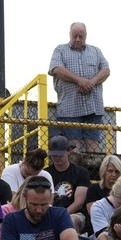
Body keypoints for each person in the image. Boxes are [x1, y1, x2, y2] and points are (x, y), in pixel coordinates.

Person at [48, 22, 110, 153]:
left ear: (86, 36)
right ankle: (75, 170)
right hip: (70, 107)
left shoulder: (96, 51)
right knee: (73, 145)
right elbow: (56, 69)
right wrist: (79, 81)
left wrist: (90, 83)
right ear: (69, 34)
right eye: (74, 36)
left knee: (93, 143)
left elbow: (106, 70)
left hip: (93, 106)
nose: (77, 39)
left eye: (81, 36)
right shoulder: (60, 50)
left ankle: (93, 171)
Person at [45, 136, 91, 234]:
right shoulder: (46, 173)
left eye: (60, 155)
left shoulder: (81, 173)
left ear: (69, 151)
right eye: (54, 155)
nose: (57, 158)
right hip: (50, 212)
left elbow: (79, 203)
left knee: (71, 221)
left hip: (75, 213)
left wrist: (61, 215)